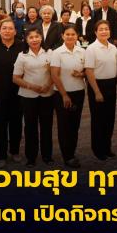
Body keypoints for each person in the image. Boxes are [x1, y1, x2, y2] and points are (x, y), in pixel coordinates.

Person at [0, 19, 24, 168]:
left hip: (18, 92)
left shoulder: (22, 46)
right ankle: (0, 155)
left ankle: (15, 151)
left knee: (16, 124)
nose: (7, 31)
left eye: (10, 28)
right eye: (4, 28)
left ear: (15, 31)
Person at [13, 27, 54, 168]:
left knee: (47, 126)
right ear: (26, 40)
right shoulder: (22, 56)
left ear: (41, 38)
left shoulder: (49, 53)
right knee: (30, 127)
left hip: (47, 94)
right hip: (28, 96)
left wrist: (48, 85)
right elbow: (16, 78)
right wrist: (32, 86)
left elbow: (55, 73)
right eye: (31, 37)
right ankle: (31, 157)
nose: (34, 39)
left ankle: (47, 156)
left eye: (37, 36)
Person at [51, 24, 86, 168]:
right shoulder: (57, 53)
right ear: (62, 36)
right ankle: (67, 156)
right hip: (62, 93)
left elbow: (87, 71)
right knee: (64, 125)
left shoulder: (82, 51)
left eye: (73, 34)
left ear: (77, 36)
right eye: (67, 34)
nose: (70, 37)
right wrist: (64, 95)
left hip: (78, 92)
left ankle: (72, 152)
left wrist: (81, 74)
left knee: (75, 124)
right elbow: (54, 75)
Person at [85, 20, 117, 161]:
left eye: (106, 29)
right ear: (95, 32)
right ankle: (98, 150)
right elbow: (89, 71)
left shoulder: (113, 48)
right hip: (97, 86)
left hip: (111, 85)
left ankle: (107, 147)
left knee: (110, 119)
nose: (104, 31)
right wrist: (97, 92)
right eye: (101, 29)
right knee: (98, 120)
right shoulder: (91, 49)